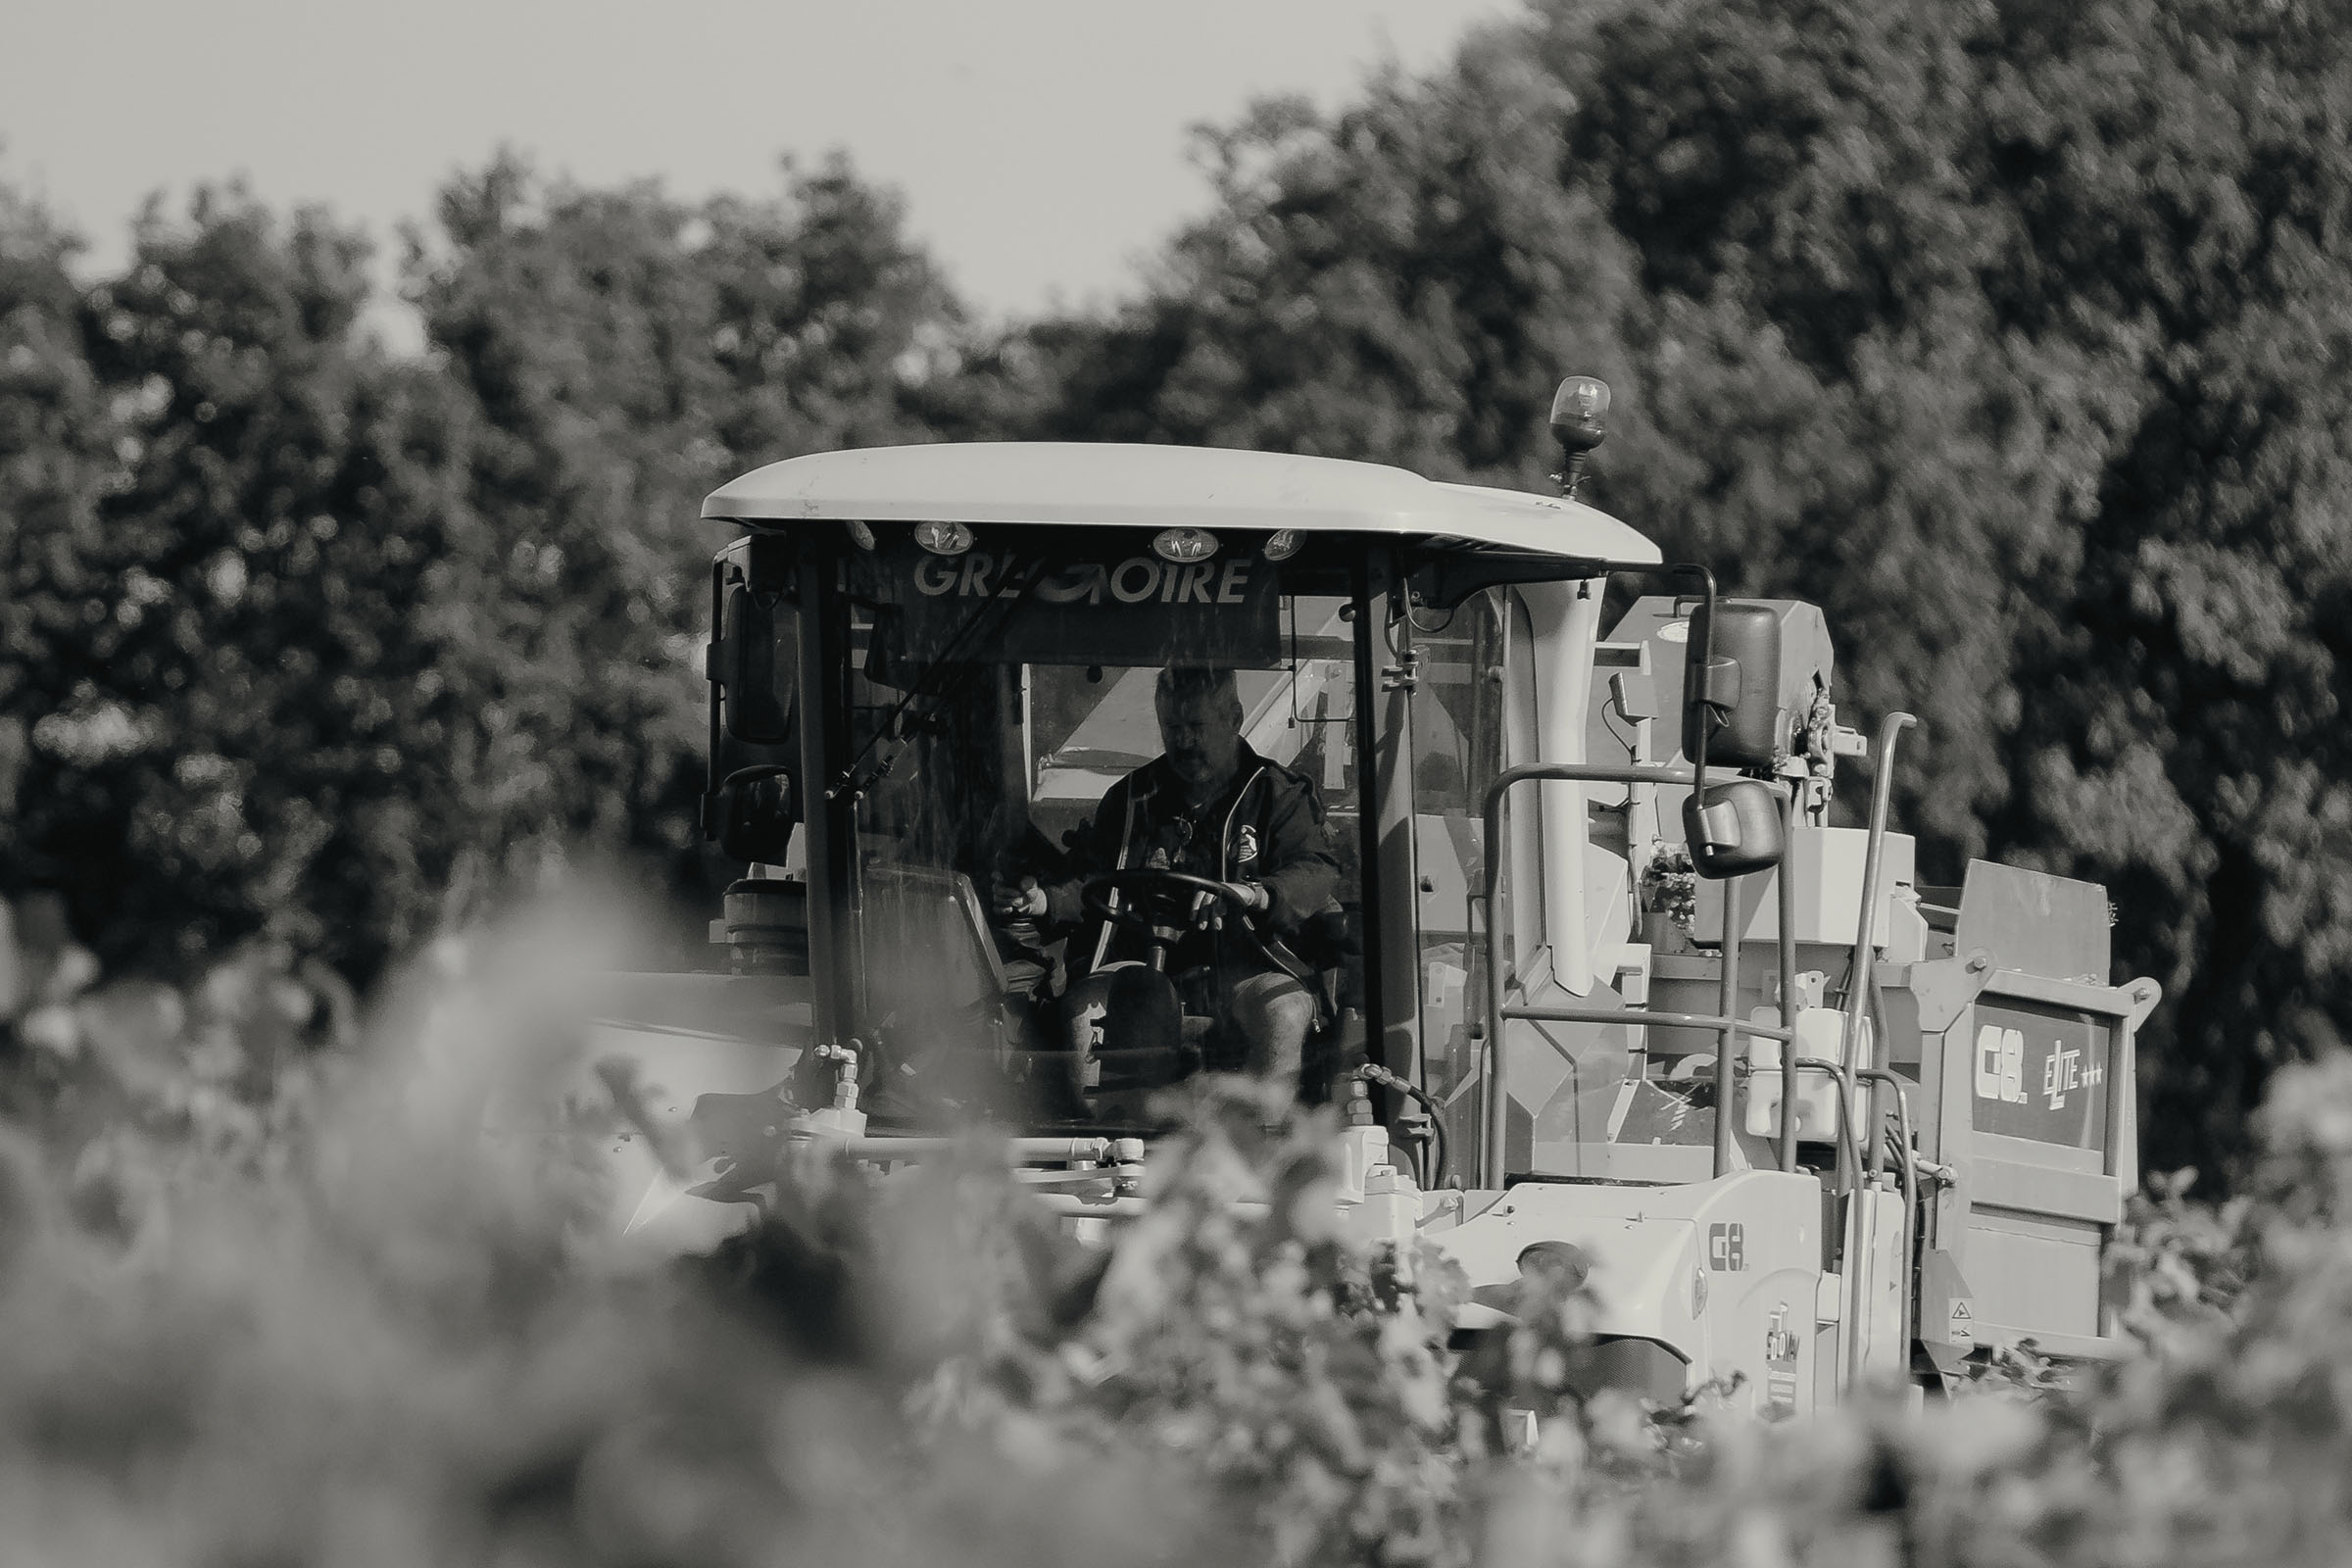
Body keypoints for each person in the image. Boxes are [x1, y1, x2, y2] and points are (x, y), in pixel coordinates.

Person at [994, 665, 1339, 1092]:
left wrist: (1253, 894)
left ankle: (1265, 1125)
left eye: (1196, 726)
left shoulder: (1278, 794)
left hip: (1250, 964)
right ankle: (1103, 1123)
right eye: (1172, 728)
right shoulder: (1132, 799)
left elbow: (1315, 870)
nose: (1184, 741)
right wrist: (1043, 901)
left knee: (1283, 1010)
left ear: (1234, 718)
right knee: (1086, 1008)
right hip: (1142, 962)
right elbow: (1089, 876)